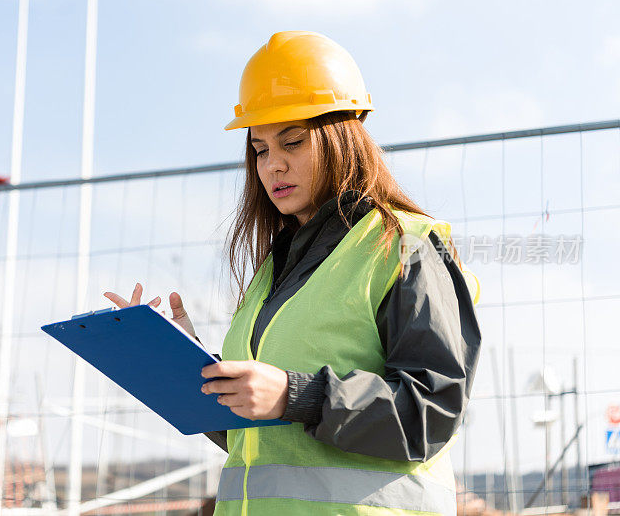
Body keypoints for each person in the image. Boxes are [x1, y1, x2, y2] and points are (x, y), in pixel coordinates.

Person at [104, 31, 481, 516]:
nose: (272, 164)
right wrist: (183, 362)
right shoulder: (273, 273)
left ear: (342, 136)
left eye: (293, 141)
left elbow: (433, 411)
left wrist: (294, 393)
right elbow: (259, 443)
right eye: (259, 149)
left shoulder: (406, 245)